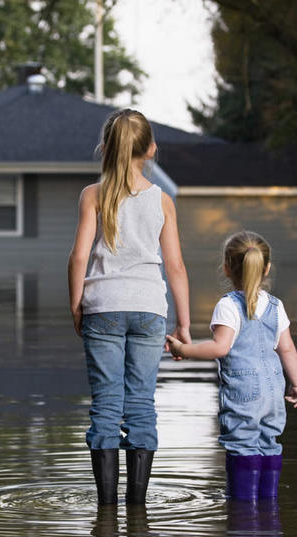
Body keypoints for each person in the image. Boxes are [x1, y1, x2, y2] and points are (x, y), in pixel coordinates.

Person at [68, 109, 191, 506]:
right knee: (140, 403)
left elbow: (78, 257)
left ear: (105, 149)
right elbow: (175, 266)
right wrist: (184, 325)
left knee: (106, 404)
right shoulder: (163, 201)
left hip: (102, 306)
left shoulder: (94, 195)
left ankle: (106, 510)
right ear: (151, 149)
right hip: (149, 308)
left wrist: (76, 306)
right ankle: (137, 510)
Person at [166, 231, 297, 501]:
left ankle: (243, 510)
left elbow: (220, 347)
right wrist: (296, 383)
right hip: (274, 391)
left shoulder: (228, 305)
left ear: (227, 267)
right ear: (266, 268)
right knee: (269, 441)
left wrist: (184, 350)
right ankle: (268, 508)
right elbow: (286, 347)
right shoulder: (276, 306)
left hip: (244, 391)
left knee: (242, 444)